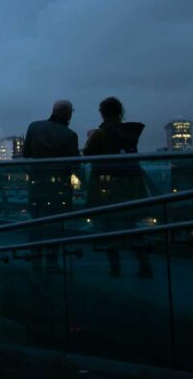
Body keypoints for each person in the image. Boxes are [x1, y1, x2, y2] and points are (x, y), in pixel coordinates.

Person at [83, 96, 151, 278]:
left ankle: (115, 268)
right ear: (120, 112)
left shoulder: (100, 133)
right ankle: (145, 266)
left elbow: (88, 154)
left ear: (102, 113)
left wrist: (90, 138)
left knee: (107, 227)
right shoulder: (129, 133)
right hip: (130, 185)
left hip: (105, 185)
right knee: (131, 225)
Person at [22, 100, 79, 270]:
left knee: (36, 222)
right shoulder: (70, 135)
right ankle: (52, 260)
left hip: (37, 184)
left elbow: (26, 154)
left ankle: (36, 258)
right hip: (59, 188)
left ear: (53, 111)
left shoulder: (34, 127)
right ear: (69, 115)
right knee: (56, 224)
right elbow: (74, 165)